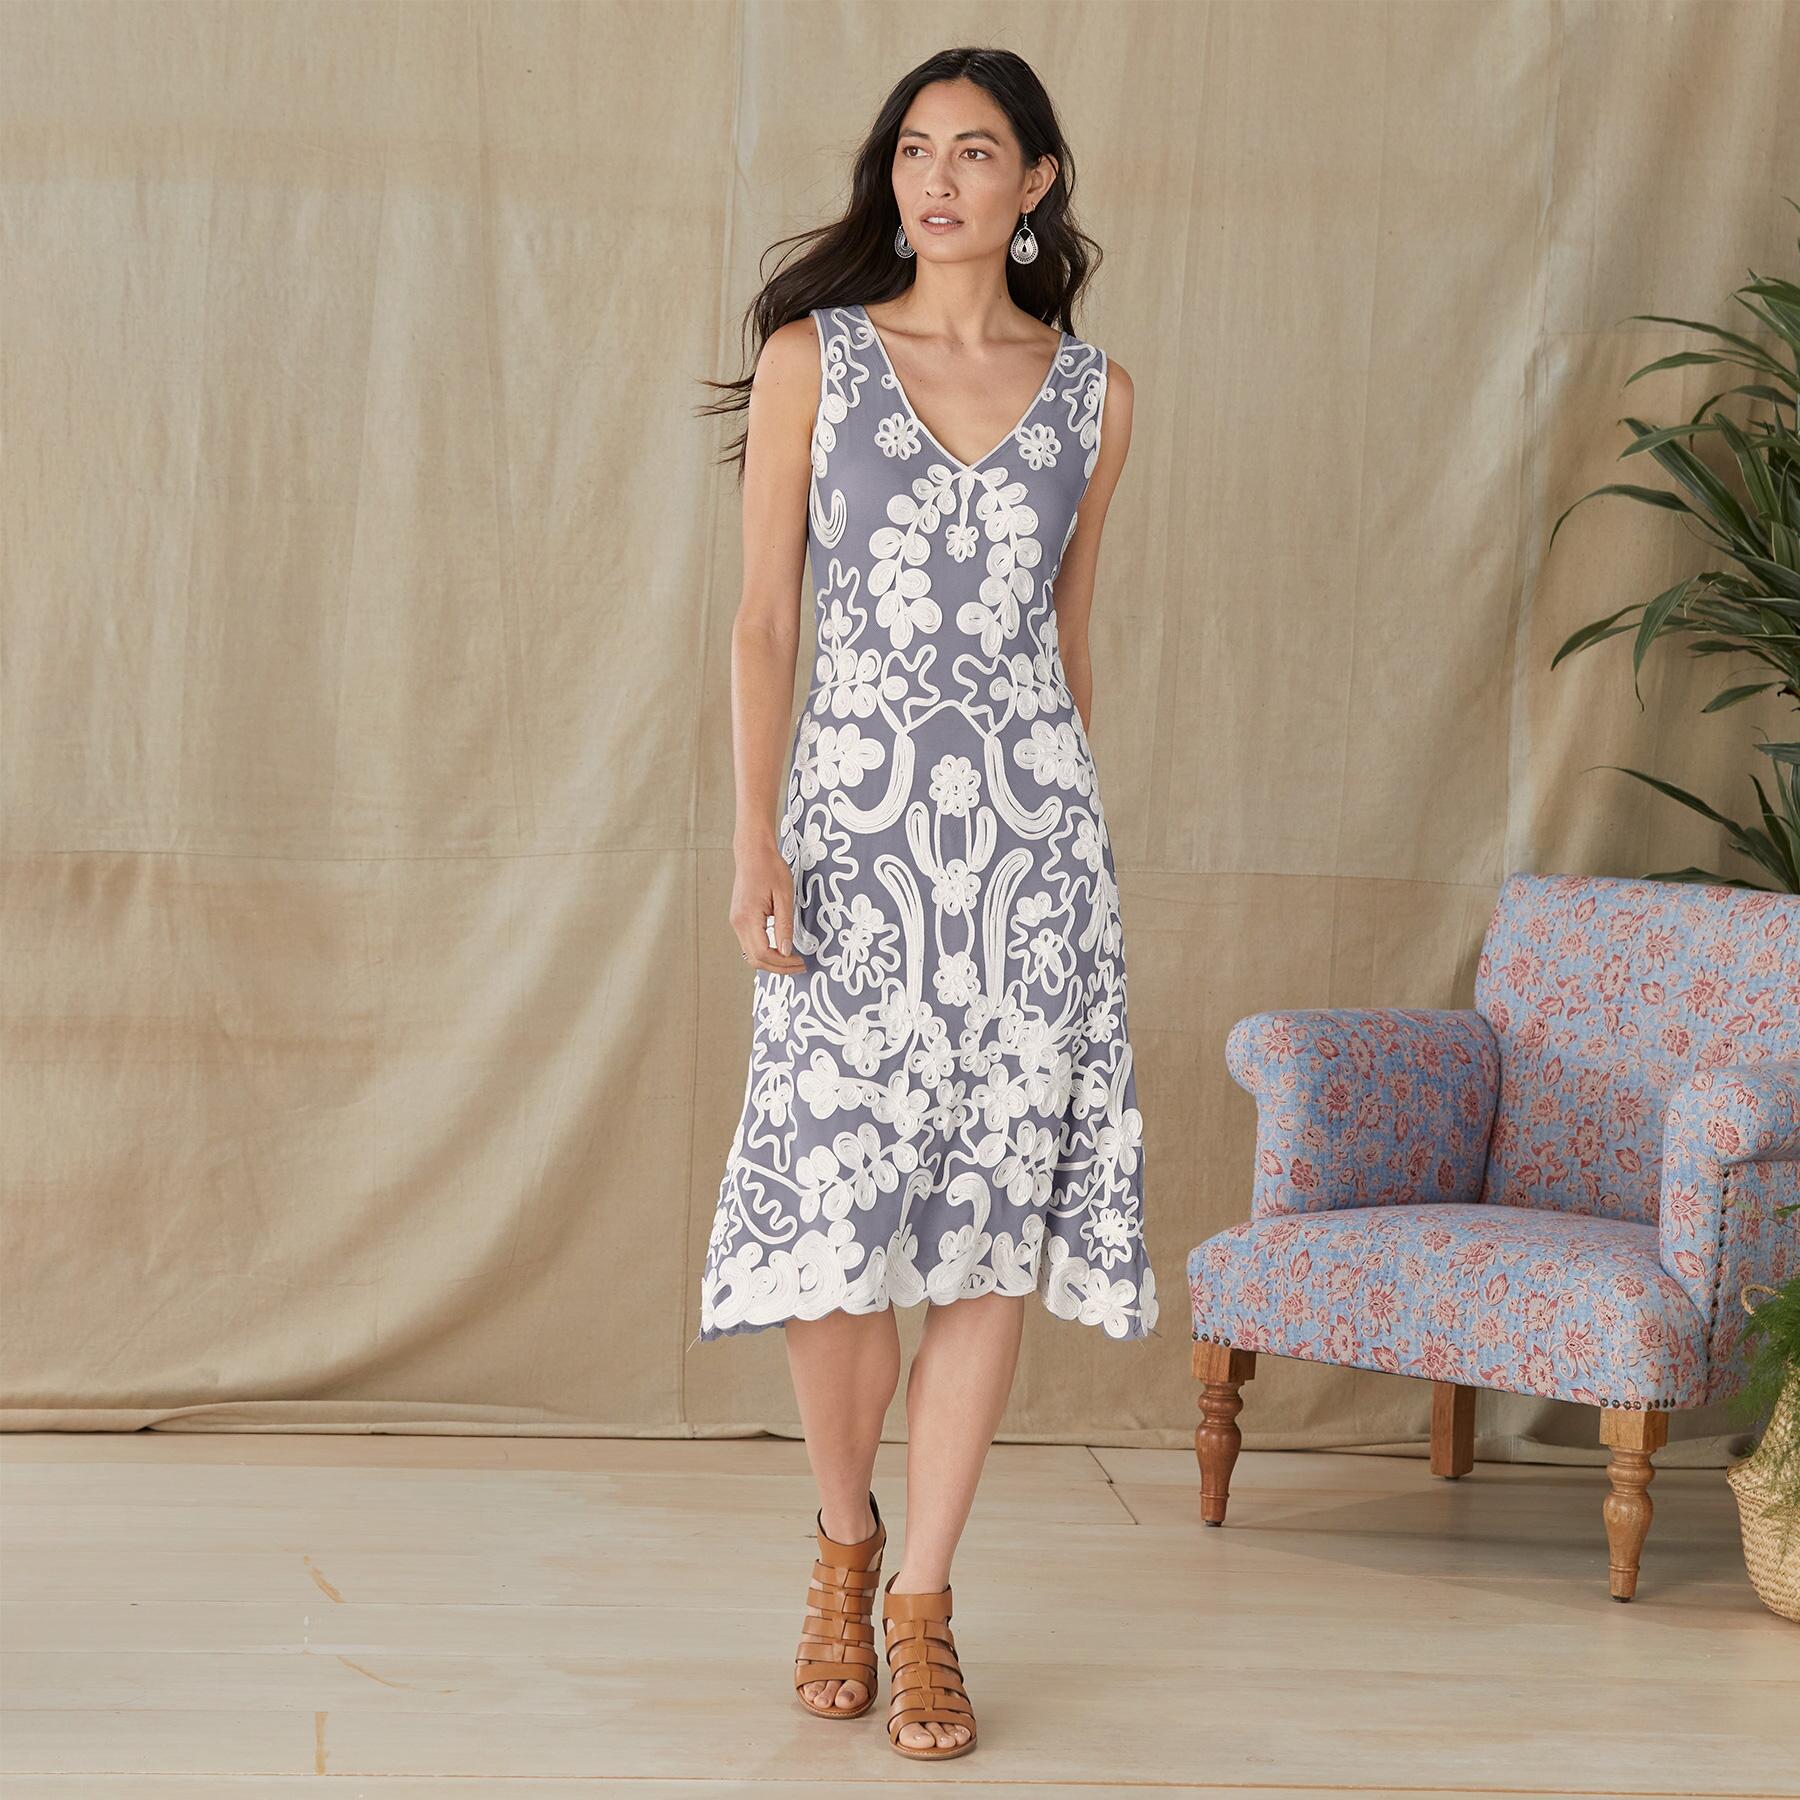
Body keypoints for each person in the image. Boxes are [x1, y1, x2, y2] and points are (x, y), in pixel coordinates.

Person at [690, 45, 1159, 1763]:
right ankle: (843, 1536)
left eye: (975, 152)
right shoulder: (815, 358)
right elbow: (766, 621)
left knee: (986, 1237)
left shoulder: (1096, 397)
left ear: (1038, 183)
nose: (938, 179)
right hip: (852, 851)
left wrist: (1072, 868)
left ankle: (925, 1603)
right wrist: (757, 842)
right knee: (837, 1239)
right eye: (913, 150)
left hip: (1033, 869)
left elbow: (1067, 644)